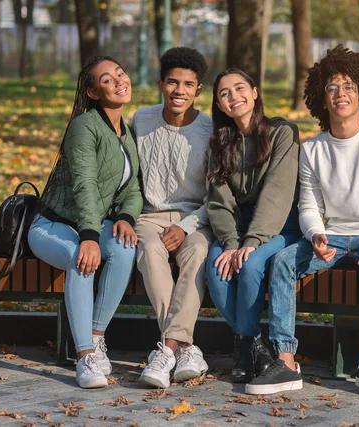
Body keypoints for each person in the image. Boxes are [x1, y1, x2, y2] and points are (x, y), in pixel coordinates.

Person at [246, 45, 359, 396]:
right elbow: (309, 205)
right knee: (281, 262)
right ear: (321, 99)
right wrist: (316, 234)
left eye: (349, 86)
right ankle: (285, 361)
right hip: (333, 238)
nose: (341, 93)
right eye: (332, 88)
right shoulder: (312, 150)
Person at [28, 56, 143, 389]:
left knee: (124, 248)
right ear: (93, 92)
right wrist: (90, 236)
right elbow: (85, 184)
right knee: (82, 259)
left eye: (121, 74)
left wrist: (124, 217)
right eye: (107, 80)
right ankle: (83, 357)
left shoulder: (127, 130)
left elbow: (133, 186)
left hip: (88, 225)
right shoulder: (84, 126)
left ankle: (95, 338)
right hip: (52, 226)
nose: (120, 81)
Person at [205, 68, 301, 385]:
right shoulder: (219, 143)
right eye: (224, 93)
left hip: (279, 225)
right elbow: (219, 201)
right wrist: (232, 244)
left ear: (255, 92)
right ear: (219, 105)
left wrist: (252, 242)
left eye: (240, 88)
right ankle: (254, 346)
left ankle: (246, 348)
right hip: (236, 228)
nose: (234, 96)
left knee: (250, 266)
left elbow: (278, 191)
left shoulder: (282, 133)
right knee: (218, 269)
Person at [133, 47, 214, 388]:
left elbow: (216, 198)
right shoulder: (141, 120)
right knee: (150, 252)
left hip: (195, 217)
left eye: (188, 84)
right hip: (149, 217)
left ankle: (166, 349)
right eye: (172, 82)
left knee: (197, 252)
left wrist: (184, 227)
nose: (179, 90)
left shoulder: (211, 130)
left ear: (199, 90)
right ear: (160, 84)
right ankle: (186, 347)